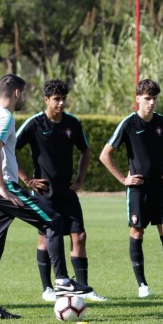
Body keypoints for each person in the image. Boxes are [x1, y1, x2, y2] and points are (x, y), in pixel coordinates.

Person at [0, 74, 91, 319]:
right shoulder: (5, 117)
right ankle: (63, 281)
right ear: (16, 93)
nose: (24, 98)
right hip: (3, 188)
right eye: (24, 93)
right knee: (53, 220)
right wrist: (2, 188)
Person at [99, 79, 163, 299]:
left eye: (154, 98)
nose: (151, 103)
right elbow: (104, 154)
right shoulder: (128, 124)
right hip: (138, 191)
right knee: (137, 232)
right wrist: (122, 179)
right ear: (137, 99)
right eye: (147, 98)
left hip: (160, 189)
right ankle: (142, 285)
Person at [16, 79, 106, 302]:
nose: (61, 103)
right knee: (46, 238)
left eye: (64, 98)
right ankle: (48, 289)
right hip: (45, 192)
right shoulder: (34, 124)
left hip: (67, 190)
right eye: (56, 99)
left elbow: (85, 151)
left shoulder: (72, 124)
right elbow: (10, 150)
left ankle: (84, 287)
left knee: (80, 235)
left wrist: (80, 178)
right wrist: (27, 179)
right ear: (46, 100)